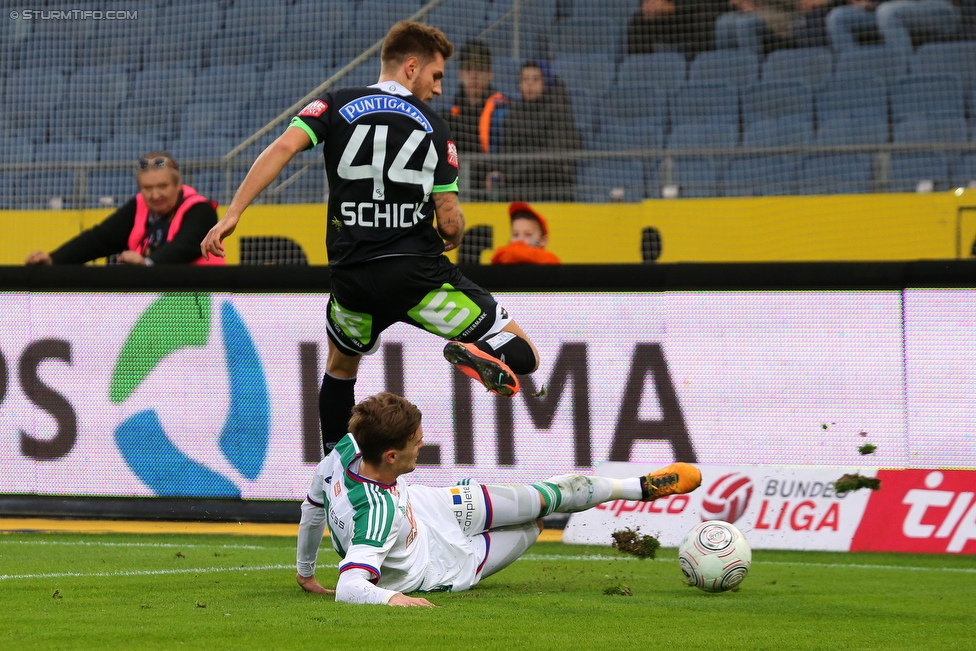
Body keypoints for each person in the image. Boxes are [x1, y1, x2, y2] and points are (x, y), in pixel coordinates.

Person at [200, 21, 541, 454]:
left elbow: (282, 148)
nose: (438, 89)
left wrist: (233, 213)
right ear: (412, 67)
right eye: (436, 76)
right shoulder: (436, 129)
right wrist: (451, 229)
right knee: (524, 353)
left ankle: (332, 475)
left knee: (341, 369)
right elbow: (450, 224)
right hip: (418, 277)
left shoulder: (335, 104)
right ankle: (478, 351)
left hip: (353, 279)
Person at [294, 392, 703, 606]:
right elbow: (350, 587)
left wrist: (305, 573)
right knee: (533, 526)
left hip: (432, 507)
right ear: (390, 456)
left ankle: (640, 487)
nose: (422, 444)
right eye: (415, 442)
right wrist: (396, 599)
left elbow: (313, 507)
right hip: (443, 567)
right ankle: (617, 493)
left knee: (543, 497)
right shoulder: (377, 513)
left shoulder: (345, 449)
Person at [25, 153, 221, 266]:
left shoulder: (201, 210)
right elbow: (98, 239)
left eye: (162, 186)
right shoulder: (138, 207)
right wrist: (52, 259)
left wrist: (146, 263)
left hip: (201, 302)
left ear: (178, 185)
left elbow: (182, 248)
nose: (155, 195)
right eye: (147, 188)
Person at [497, 61, 582, 202]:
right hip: (520, 186)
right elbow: (507, 154)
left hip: (553, 186)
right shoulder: (512, 115)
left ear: (544, 83)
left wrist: (525, 162)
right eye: (525, 79)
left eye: (535, 79)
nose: (530, 84)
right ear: (519, 84)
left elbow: (558, 152)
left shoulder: (557, 111)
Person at [441, 39, 508, 199]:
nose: (474, 76)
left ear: (490, 73)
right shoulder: (448, 116)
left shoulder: (504, 111)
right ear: (460, 74)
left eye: (480, 69)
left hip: (493, 191)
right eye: (468, 69)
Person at [826, 0, 961, 51]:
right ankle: (854, 73)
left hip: (941, 9)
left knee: (887, 11)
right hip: (894, 11)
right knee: (838, 17)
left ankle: (903, 73)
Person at [490, 201, 560, 265]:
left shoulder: (550, 261)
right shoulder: (502, 258)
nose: (520, 239)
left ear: (543, 240)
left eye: (528, 234)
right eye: (515, 234)